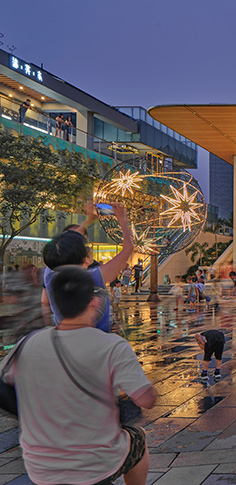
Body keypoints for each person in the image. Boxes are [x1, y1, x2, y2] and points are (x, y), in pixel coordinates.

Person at [3, 267, 157, 484]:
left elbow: (5, 380)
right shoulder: (112, 346)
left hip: (40, 466)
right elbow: (146, 400)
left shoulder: (28, 342)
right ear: (94, 303)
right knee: (137, 438)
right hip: (96, 464)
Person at [41, 203, 133, 332]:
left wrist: (89, 220)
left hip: (63, 335)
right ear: (84, 260)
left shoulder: (50, 274)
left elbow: (65, 244)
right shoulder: (90, 277)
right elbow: (128, 248)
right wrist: (123, 221)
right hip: (95, 339)